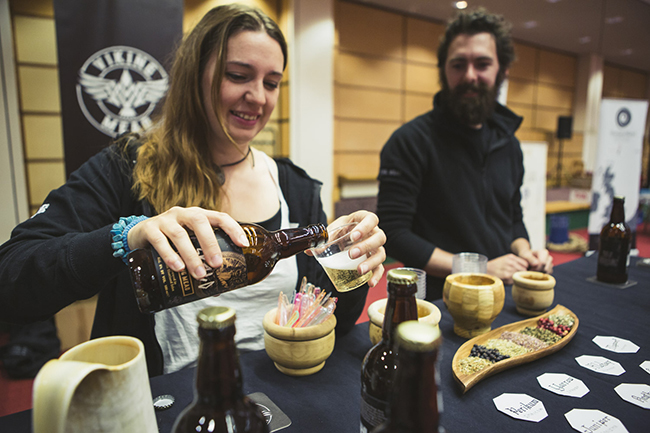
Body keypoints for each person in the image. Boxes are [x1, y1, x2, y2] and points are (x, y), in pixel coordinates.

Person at [0, 4, 386, 376]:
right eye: (238, 75)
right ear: (195, 75)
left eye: (272, 83)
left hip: (279, 395)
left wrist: (352, 262)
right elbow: (12, 278)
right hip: (170, 402)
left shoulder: (295, 186)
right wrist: (125, 238)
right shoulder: (126, 167)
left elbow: (324, 312)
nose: (258, 97)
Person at [376, 8, 551, 301]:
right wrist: (477, 269)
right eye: (458, 65)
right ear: (444, 71)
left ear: (502, 70)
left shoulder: (509, 144)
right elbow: (394, 234)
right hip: (439, 303)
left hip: (504, 295)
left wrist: (525, 251)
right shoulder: (410, 141)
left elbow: (512, 218)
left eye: (482, 64)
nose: (470, 75)